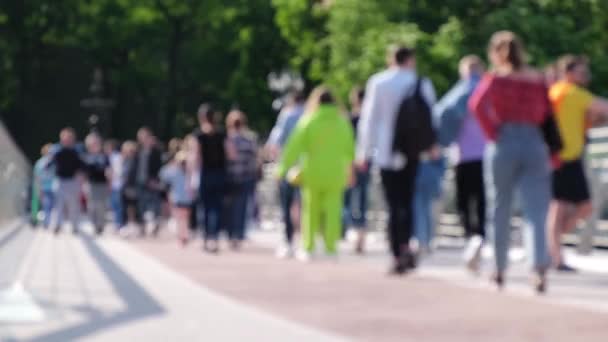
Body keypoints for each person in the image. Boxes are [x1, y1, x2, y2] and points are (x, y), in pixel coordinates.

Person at [469, 31, 552, 293]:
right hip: (534, 141)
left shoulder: (495, 79)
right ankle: (538, 267)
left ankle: (500, 268)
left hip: (504, 140)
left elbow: (477, 105)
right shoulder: (538, 80)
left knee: (500, 207)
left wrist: (493, 132)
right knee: (536, 210)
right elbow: (548, 111)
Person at [356, 45, 437, 274]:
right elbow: (431, 116)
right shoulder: (420, 82)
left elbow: (369, 120)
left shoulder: (379, 83)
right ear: (410, 59)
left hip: (385, 151)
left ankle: (396, 252)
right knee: (408, 200)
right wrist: (431, 145)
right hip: (412, 150)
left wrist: (363, 152)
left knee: (393, 203)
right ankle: (406, 244)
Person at [277, 86, 355, 262]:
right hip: (335, 172)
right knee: (333, 211)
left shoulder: (309, 120)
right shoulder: (343, 122)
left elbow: (293, 147)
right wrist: (350, 172)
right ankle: (330, 247)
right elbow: (350, 150)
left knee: (310, 211)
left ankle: (309, 246)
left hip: (312, 171)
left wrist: (282, 169)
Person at [547, 55, 608, 271]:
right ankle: (553, 253)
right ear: (568, 72)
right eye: (582, 72)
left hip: (566, 157)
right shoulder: (570, 92)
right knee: (563, 206)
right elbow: (603, 107)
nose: (586, 77)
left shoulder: (557, 92)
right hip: (562, 158)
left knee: (573, 206)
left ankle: (549, 247)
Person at [435, 55, 487, 272]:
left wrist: (443, 140)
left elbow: (440, 114)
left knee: (464, 200)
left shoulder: (458, 93)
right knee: (483, 198)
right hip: (485, 154)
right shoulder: (486, 89)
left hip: (462, 155)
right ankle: (481, 235)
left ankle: (469, 235)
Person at [266, 91, 306, 258]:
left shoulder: (287, 115)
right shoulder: (309, 115)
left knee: (286, 205)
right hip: (306, 166)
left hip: (288, 166)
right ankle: (304, 241)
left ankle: (289, 241)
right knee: (304, 206)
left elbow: (276, 141)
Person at [195, 104, 234, 253]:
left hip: (205, 174)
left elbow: (196, 157)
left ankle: (205, 239)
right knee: (216, 208)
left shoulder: (198, 134)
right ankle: (214, 239)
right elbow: (231, 153)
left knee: (204, 207)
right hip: (220, 174)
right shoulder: (221, 134)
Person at [225, 110, 259, 250]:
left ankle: (231, 234)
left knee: (230, 208)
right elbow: (254, 161)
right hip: (246, 178)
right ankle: (239, 234)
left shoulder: (227, 140)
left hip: (230, 178)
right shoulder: (249, 140)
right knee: (242, 207)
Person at [343, 87, 370, 253]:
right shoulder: (370, 119)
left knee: (347, 199)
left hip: (350, 163)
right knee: (362, 199)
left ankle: (350, 230)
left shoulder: (350, 119)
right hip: (365, 163)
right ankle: (361, 232)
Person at [47, 128, 86, 235]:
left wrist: (81, 176)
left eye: (69, 138)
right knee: (58, 204)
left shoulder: (77, 150)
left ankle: (74, 226)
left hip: (73, 181)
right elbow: (49, 163)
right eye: (65, 138)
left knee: (74, 205)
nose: (67, 140)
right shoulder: (57, 150)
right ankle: (57, 225)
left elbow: (82, 165)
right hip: (60, 180)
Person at [129, 127, 163, 237]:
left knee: (153, 204)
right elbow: (133, 168)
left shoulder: (156, 151)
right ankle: (142, 227)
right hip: (139, 182)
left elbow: (159, 167)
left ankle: (154, 224)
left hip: (151, 182)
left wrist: (155, 179)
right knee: (141, 206)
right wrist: (130, 182)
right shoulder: (138, 150)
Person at [160, 150, 195, 246]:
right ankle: (182, 235)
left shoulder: (188, 171)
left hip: (186, 198)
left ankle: (183, 235)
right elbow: (163, 175)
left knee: (184, 218)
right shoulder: (174, 171)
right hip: (178, 198)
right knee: (181, 218)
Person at [84, 133, 110, 235]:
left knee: (102, 206)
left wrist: (110, 182)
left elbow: (109, 169)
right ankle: (95, 225)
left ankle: (101, 225)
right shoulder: (86, 156)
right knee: (92, 206)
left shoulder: (104, 156)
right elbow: (84, 171)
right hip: (91, 184)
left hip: (102, 184)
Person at [33, 143, 56, 228]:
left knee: (54, 206)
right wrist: (38, 188)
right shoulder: (40, 163)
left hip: (55, 187)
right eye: (49, 152)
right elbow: (37, 177)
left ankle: (52, 222)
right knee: (47, 205)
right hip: (44, 188)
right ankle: (47, 222)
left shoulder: (55, 162)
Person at [106, 139, 126, 230]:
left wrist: (110, 182)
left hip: (116, 184)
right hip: (115, 184)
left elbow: (115, 172)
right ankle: (117, 223)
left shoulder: (115, 157)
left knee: (117, 205)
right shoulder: (114, 156)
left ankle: (118, 223)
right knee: (114, 205)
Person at [120, 141, 139, 234]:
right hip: (125, 186)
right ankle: (128, 224)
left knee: (131, 206)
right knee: (127, 206)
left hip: (131, 186)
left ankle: (132, 224)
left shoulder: (135, 161)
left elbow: (131, 175)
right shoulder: (125, 160)